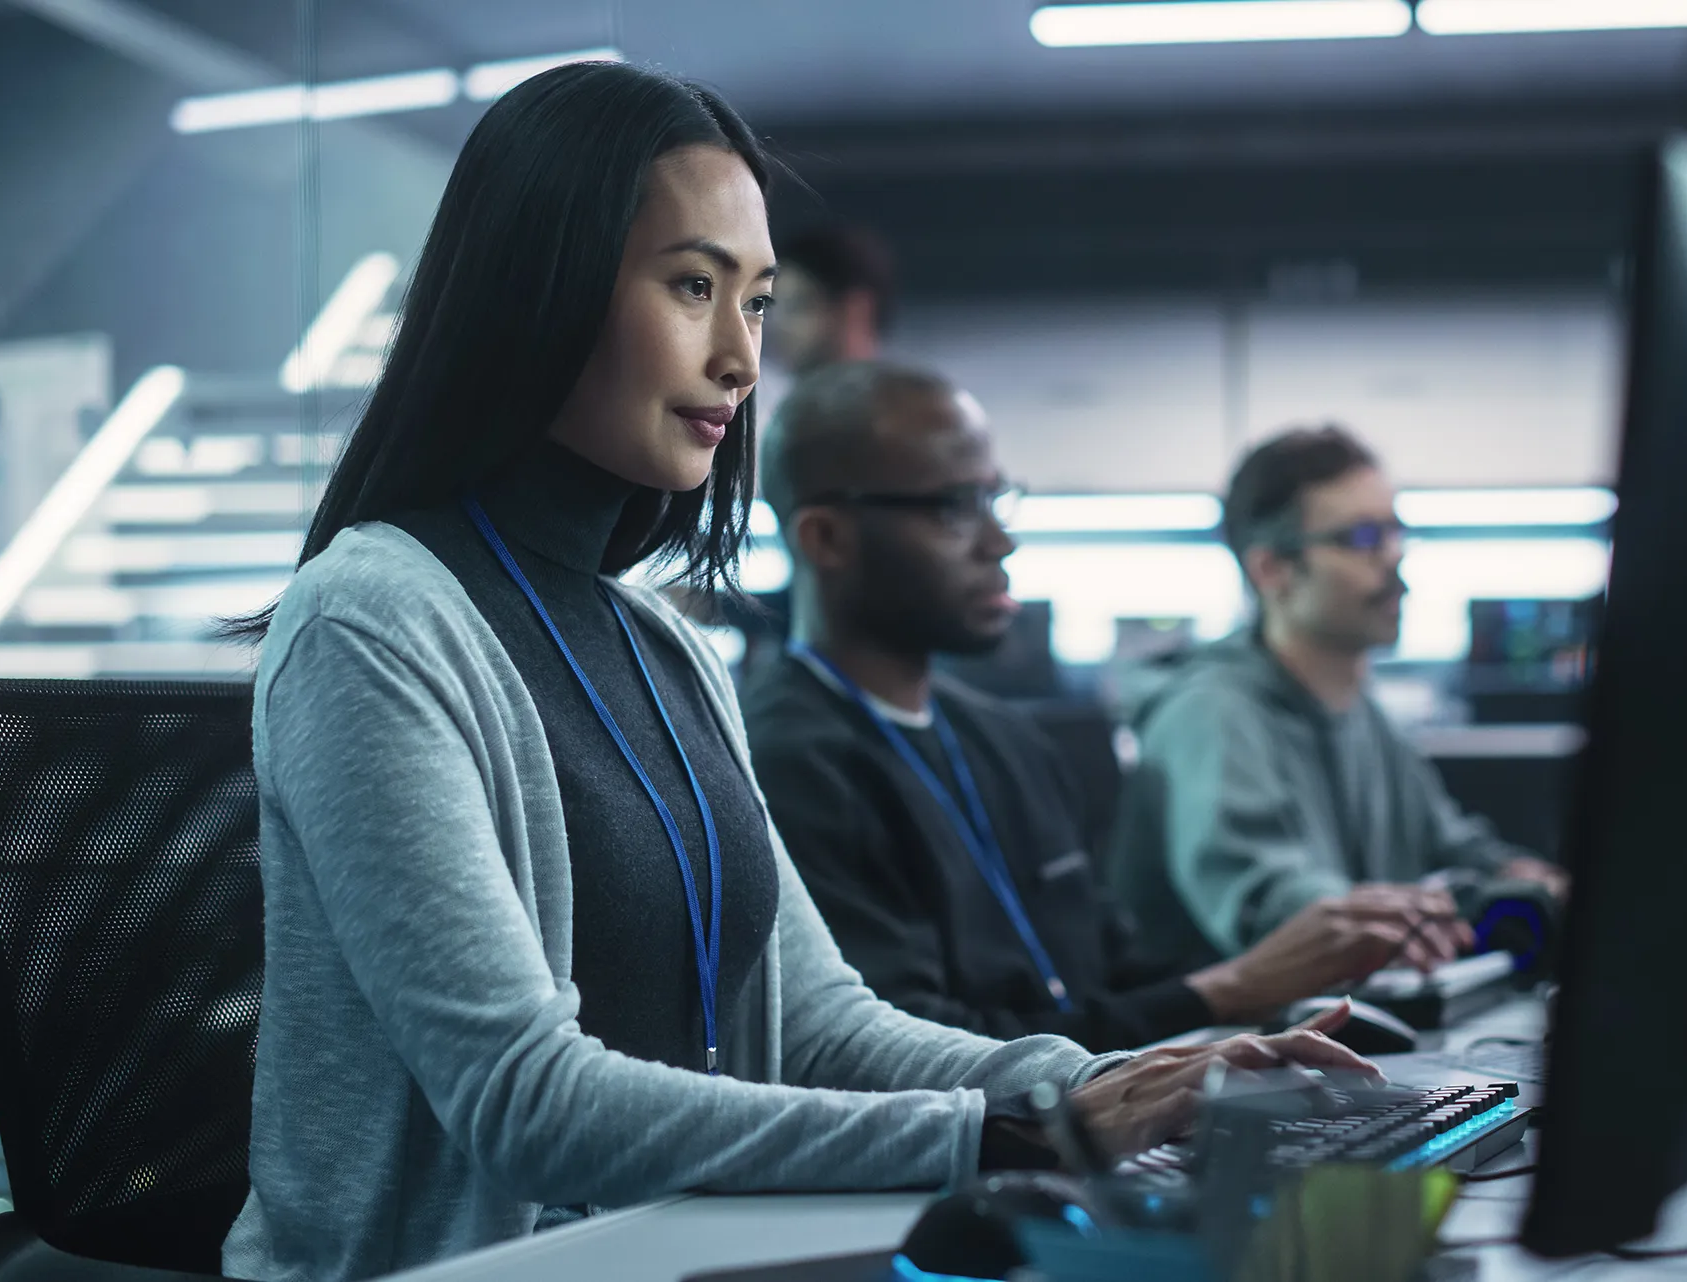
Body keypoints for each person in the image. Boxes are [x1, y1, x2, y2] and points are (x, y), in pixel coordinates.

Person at [220, 65, 1369, 1282]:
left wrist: (1100, 1083)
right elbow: (525, 1101)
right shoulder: (371, 620)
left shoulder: (665, 646)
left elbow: (822, 1025)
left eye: (758, 303)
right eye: (692, 285)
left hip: (685, 1249)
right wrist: (1029, 1130)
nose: (739, 359)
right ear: (539, 286)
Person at [742, 364, 1452, 1054]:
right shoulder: (783, 763)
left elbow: (1112, 974)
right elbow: (909, 1053)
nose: (1000, 540)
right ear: (826, 538)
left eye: (997, 498)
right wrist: (1230, 989)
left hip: (1096, 1130)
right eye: (955, 508)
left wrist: (1279, 1002)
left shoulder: (1006, 740)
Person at [1111, 425, 1569, 975]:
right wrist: (1429, 916)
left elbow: (1451, 846)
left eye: (1396, 532)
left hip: (1339, 1029)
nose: (1395, 558)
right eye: (1361, 539)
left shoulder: (1364, 713)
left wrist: (1525, 878)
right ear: (1272, 571)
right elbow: (1277, 911)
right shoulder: (1211, 713)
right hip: (1225, 1046)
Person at [766, 223, 895, 375]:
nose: (779, 325)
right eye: (774, 308)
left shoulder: (909, 397)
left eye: (797, 306)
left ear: (854, 310)